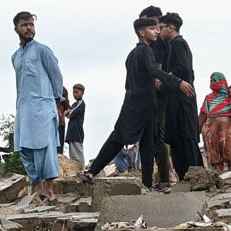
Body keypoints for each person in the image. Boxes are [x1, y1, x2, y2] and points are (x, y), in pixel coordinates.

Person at [78, 18, 195, 189]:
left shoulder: (132, 55)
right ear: (142, 32)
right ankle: (92, 172)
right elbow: (154, 71)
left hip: (146, 105)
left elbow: (133, 81)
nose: (156, 31)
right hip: (137, 105)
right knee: (118, 138)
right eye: (152, 28)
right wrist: (178, 82)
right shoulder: (144, 51)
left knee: (148, 144)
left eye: (157, 28)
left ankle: (146, 184)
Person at [11, 11, 63, 202]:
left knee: (46, 148)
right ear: (16, 28)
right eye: (25, 25)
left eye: (31, 24)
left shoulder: (42, 50)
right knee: (24, 149)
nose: (29, 28)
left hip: (43, 106)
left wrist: (57, 100)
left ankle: (48, 190)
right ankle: (36, 187)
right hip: (24, 108)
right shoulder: (15, 57)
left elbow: (56, 76)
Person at [159, 12, 203, 181]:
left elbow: (183, 68)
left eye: (162, 28)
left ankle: (195, 177)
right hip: (177, 99)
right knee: (177, 139)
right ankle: (186, 177)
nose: (160, 31)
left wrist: (166, 78)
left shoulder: (178, 44)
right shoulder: (174, 45)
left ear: (171, 28)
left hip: (182, 100)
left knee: (185, 138)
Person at [140, 5, 172, 191]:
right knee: (153, 136)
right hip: (153, 95)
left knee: (159, 136)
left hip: (158, 96)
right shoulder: (155, 43)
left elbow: (157, 70)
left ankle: (163, 179)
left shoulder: (158, 44)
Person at [64, 83, 86, 167]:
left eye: (77, 92)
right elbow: (68, 113)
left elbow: (70, 113)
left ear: (82, 93)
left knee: (78, 153)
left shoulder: (81, 103)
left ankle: (81, 169)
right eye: (73, 92)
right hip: (71, 132)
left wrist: (68, 112)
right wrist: (68, 112)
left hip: (77, 132)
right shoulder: (74, 104)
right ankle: (75, 169)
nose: (74, 94)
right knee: (72, 154)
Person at [56, 86, 71, 154]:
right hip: (59, 121)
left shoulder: (46, 86)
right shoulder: (62, 89)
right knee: (59, 149)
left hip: (52, 121)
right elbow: (67, 105)